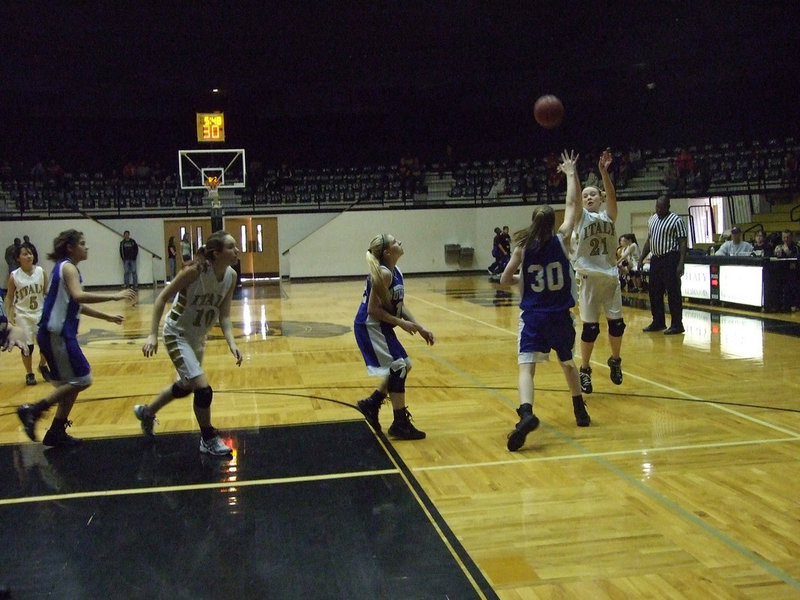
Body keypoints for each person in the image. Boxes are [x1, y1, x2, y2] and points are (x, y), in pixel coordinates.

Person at [499, 150, 589, 452]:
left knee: (526, 369)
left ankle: (526, 413)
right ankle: (579, 409)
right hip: (561, 316)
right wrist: (569, 173)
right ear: (553, 223)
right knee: (567, 364)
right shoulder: (562, 238)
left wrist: (521, 282)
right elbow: (572, 205)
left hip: (534, 317)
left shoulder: (522, 247)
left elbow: (504, 281)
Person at [16, 230, 136, 447]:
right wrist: (115, 295)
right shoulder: (68, 267)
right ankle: (32, 410)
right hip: (56, 334)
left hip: (59, 334)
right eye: (82, 243)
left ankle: (56, 431)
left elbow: (75, 303)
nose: (86, 247)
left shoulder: (67, 268)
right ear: (70, 248)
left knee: (70, 386)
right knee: (82, 379)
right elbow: (79, 296)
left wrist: (107, 317)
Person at [134, 230, 242, 456]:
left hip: (197, 337)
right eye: (231, 246)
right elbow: (162, 298)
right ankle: (208, 438)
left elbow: (224, 315)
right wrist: (152, 334)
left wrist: (232, 343)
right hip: (176, 333)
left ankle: (147, 411)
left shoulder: (231, 276)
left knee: (185, 387)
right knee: (203, 390)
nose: (237, 250)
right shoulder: (195, 272)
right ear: (217, 252)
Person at [354, 233, 434, 440]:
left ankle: (371, 404)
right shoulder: (384, 274)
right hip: (370, 325)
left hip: (381, 324)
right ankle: (399, 422)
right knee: (398, 367)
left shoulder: (395, 270)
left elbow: (399, 305)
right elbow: (372, 309)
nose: (401, 242)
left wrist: (419, 327)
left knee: (404, 365)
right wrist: (401, 323)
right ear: (388, 252)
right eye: (396, 241)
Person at [570, 149, 625, 394]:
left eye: (593, 194)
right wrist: (573, 175)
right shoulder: (581, 218)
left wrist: (604, 172)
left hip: (610, 278)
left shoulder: (609, 216)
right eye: (585, 195)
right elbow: (574, 199)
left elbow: (612, 195)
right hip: (588, 279)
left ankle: (615, 360)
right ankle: (585, 369)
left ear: (600, 198)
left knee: (617, 326)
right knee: (590, 329)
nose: (589, 197)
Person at [641, 196, 688, 334]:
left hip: (671, 258)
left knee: (673, 292)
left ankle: (677, 324)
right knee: (654, 291)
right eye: (657, 207)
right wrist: (641, 258)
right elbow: (649, 240)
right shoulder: (652, 219)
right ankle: (658, 321)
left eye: (661, 207)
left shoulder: (676, 220)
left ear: (668, 206)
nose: (659, 210)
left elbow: (683, 243)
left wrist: (681, 263)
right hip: (656, 258)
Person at [4, 243, 50, 385]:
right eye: (25, 254)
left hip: (40, 312)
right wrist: (8, 316)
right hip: (23, 314)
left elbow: (46, 292)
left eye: (30, 253)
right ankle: (29, 373)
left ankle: (42, 365)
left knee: (47, 344)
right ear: (18, 258)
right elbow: (9, 297)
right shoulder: (14, 276)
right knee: (27, 347)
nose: (29, 256)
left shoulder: (41, 271)